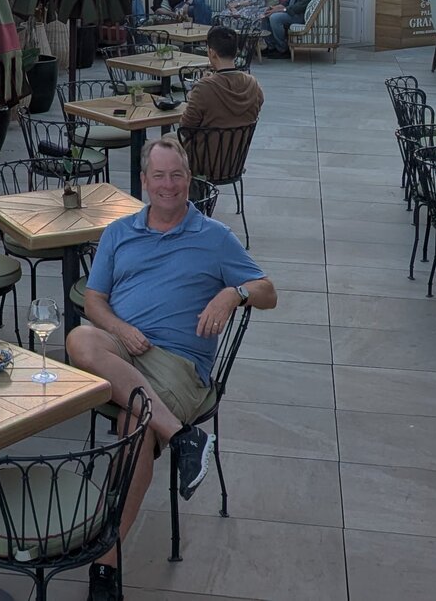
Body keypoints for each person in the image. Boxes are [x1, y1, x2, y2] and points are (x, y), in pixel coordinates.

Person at [68, 138, 277, 601]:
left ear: (189, 180)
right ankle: (183, 438)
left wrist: (233, 293)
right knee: (80, 338)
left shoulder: (214, 237)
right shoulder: (119, 232)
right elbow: (94, 301)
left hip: (180, 366)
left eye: (176, 175)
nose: (168, 185)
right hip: (121, 350)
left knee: (135, 425)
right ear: (143, 182)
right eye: (158, 176)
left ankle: (104, 565)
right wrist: (120, 329)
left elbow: (267, 291)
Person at [179, 25, 264, 133]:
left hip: (205, 148)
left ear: (212, 53)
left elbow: (185, 128)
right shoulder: (253, 85)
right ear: (235, 52)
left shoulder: (204, 88)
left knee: (168, 139)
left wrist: (193, 95)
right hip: (239, 147)